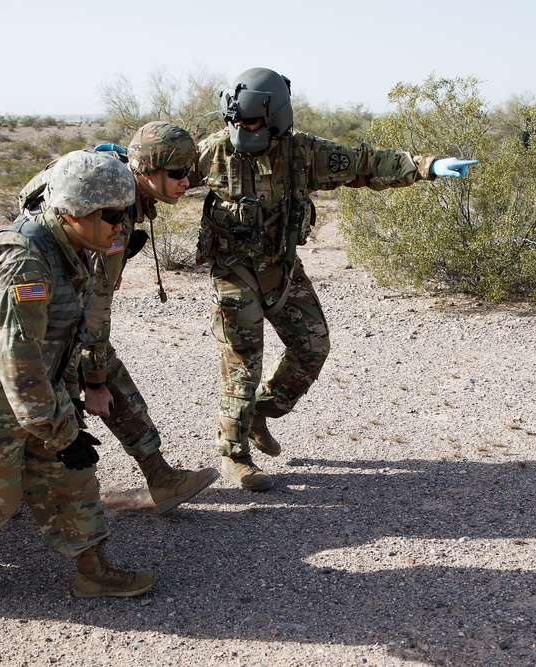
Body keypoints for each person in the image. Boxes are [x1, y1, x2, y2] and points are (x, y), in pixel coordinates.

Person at [194, 67, 478, 491]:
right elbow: (157, 170)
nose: (241, 128)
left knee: (312, 347)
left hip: (282, 268)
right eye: (234, 121)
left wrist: (427, 166)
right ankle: (235, 454)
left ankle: (258, 414)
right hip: (233, 272)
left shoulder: (302, 152)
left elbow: (364, 164)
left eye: (250, 121)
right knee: (242, 362)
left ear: (274, 117)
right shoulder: (211, 152)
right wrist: (121, 166)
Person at [0, 150, 155, 601]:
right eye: (113, 216)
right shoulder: (24, 263)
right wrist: (60, 428)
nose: (121, 226)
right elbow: (16, 362)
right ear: (74, 212)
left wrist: (64, 406)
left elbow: (56, 341)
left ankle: (92, 570)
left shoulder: (73, 248)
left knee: (70, 478)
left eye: (125, 215)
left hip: (32, 393)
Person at [20, 122, 219, 513]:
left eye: (188, 173)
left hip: (54, 300)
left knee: (78, 384)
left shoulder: (108, 180)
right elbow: (97, 303)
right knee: (81, 384)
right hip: (49, 310)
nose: (186, 182)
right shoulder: (115, 209)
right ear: (147, 172)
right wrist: (94, 379)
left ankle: (157, 477)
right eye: (177, 174)